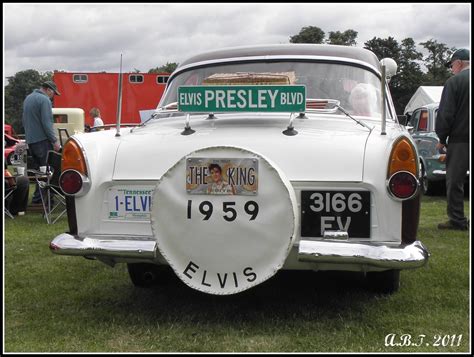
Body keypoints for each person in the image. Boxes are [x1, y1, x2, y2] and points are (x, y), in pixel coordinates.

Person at [435, 48, 470, 231]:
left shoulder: (454, 82)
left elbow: (446, 113)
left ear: (458, 63)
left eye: (451, 65)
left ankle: (457, 220)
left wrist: (441, 137)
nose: (451, 69)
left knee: (455, 181)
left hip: (461, 140)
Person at [22, 80, 61, 204]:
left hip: (31, 141)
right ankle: (43, 198)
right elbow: (46, 123)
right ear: (49, 90)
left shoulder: (28, 98)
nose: (53, 96)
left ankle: (39, 198)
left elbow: (24, 120)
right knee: (49, 170)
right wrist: (54, 141)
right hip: (42, 141)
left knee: (39, 171)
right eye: (53, 93)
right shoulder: (45, 100)